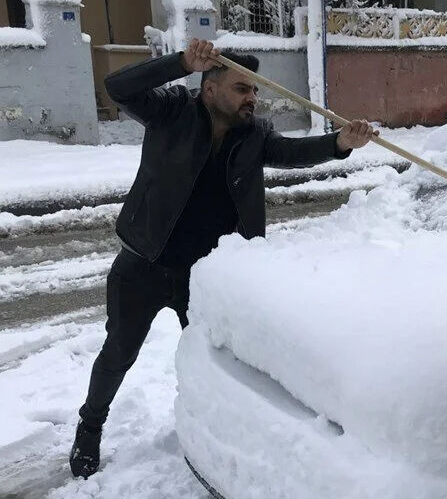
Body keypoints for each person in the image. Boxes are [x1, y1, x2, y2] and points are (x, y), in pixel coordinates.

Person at [69, 38, 378, 478]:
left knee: (214, 362)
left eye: (254, 91)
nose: (252, 99)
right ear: (210, 89)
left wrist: (340, 142)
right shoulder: (172, 112)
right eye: (241, 89)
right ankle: (90, 427)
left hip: (207, 276)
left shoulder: (255, 135)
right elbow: (117, 86)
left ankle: (209, 428)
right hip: (143, 264)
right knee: (118, 353)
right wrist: (180, 63)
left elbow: (292, 154)